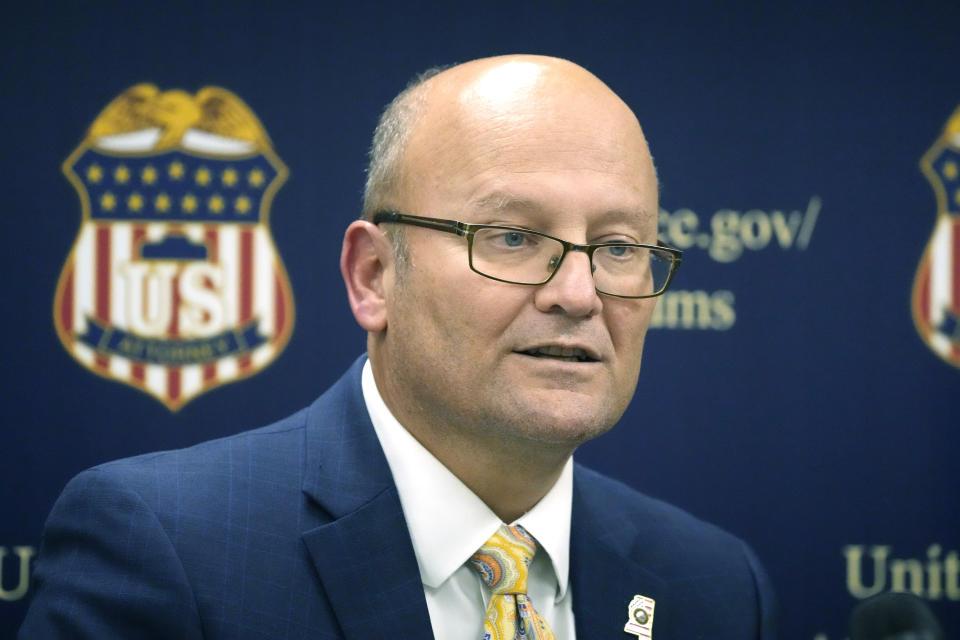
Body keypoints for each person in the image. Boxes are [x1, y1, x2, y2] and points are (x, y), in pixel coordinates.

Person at [20, 55, 777, 639]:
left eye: (618, 247)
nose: (578, 295)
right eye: (512, 237)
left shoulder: (713, 586)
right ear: (374, 276)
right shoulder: (167, 547)